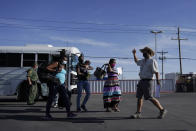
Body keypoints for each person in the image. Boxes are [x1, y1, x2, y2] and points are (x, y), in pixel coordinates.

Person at [131, 47, 167, 119]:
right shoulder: (143, 61)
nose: (143, 54)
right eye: (143, 52)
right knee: (139, 97)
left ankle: (162, 110)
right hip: (141, 81)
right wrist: (134, 54)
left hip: (148, 81)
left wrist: (158, 81)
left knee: (149, 97)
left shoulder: (152, 61)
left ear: (148, 52)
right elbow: (136, 61)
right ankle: (138, 113)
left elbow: (156, 72)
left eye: (144, 52)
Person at [45, 55, 76, 119]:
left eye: (66, 60)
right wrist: (55, 70)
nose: (66, 61)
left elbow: (63, 74)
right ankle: (47, 114)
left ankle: (69, 113)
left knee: (66, 98)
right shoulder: (56, 63)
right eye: (65, 59)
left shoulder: (63, 65)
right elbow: (47, 68)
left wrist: (64, 83)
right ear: (61, 59)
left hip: (61, 84)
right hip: (54, 84)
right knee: (51, 99)